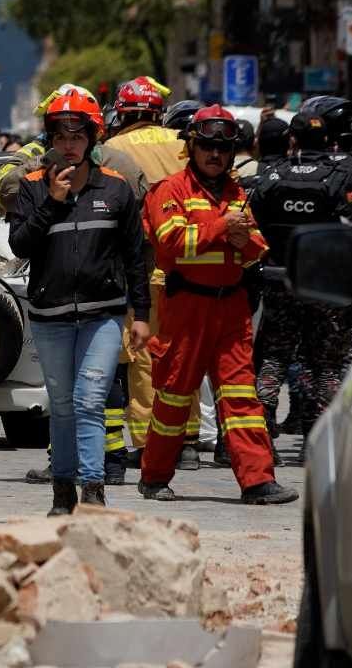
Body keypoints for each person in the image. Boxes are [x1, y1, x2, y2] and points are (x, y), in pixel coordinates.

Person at [138, 105, 297, 505]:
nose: (215, 155)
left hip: (231, 309)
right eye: (207, 146)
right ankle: (154, 477)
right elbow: (171, 246)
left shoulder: (236, 193)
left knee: (242, 398)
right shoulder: (169, 190)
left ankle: (258, 481)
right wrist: (223, 228)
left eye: (223, 149)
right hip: (186, 308)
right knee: (175, 395)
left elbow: (256, 249)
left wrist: (246, 243)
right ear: (192, 147)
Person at [7, 88, 150, 513]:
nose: (69, 144)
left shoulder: (117, 190)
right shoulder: (31, 188)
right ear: (50, 139)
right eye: (60, 135)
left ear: (92, 138)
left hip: (101, 316)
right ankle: (62, 491)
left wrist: (140, 315)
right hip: (49, 318)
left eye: (77, 135)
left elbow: (135, 256)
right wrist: (51, 203)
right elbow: (19, 246)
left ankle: (94, 490)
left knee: (90, 400)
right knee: (63, 405)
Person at [247, 100, 352, 466]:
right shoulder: (342, 176)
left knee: (273, 360)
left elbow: (252, 226)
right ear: (329, 139)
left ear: (293, 139)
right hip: (325, 288)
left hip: (280, 282)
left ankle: (262, 438)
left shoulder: (272, 175)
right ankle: (319, 442)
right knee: (326, 365)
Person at [103, 76, 199, 471]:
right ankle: (188, 438)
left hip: (139, 265)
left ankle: (147, 440)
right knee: (184, 351)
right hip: (189, 261)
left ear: (123, 113)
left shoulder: (111, 150)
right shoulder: (183, 144)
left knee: (144, 356)